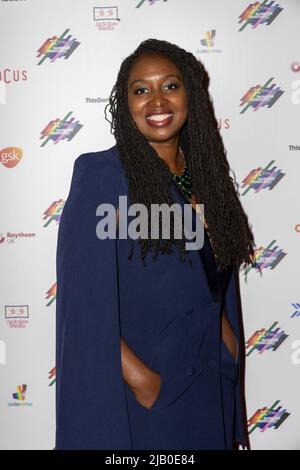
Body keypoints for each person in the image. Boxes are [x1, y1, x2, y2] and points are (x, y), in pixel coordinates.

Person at [55, 38, 256, 450]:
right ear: (125, 103)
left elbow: (212, 277)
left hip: (211, 380)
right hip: (151, 393)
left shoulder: (207, 177)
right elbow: (84, 306)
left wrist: (228, 347)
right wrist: (144, 381)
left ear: (190, 96)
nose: (156, 100)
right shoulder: (103, 178)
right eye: (141, 89)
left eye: (170, 85)